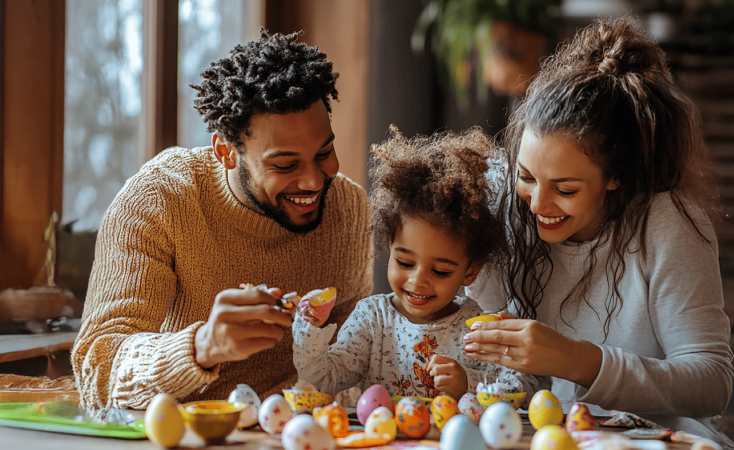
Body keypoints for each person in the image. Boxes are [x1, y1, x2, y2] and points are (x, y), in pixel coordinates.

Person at [463, 17, 734, 447]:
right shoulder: (507, 205)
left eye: (566, 189)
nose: (537, 204)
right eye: (527, 177)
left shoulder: (665, 223)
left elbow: (711, 382)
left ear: (615, 177)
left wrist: (579, 361)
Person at [72, 30, 373, 410]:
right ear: (226, 152)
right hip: (187, 433)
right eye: (285, 164)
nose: (314, 181)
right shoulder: (159, 200)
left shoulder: (348, 208)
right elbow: (96, 371)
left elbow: (350, 358)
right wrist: (203, 346)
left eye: (324, 152)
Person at [293, 127, 535, 400]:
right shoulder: (372, 319)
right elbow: (321, 381)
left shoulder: (474, 328)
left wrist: (469, 382)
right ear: (390, 245)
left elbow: (526, 386)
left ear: (471, 271)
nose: (418, 280)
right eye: (405, 262)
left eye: (440, 271)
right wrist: (310, 330)